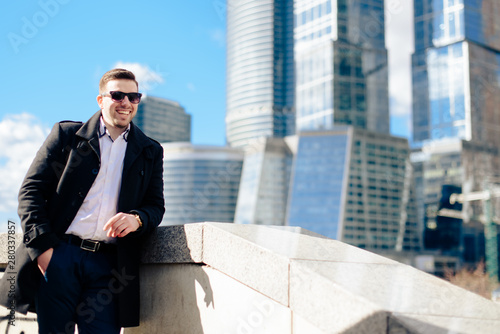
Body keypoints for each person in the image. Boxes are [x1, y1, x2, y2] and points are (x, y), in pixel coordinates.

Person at [0, 68, 165, 333]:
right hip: (60, 255)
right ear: (101, 100)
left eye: (133, 96)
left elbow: (155, 205)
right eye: (117, 95)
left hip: (108, 265)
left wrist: (137, 219)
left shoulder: (149, 150)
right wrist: (44, 251)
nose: (126, 102)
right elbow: (30, 192)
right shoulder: (66, 136)